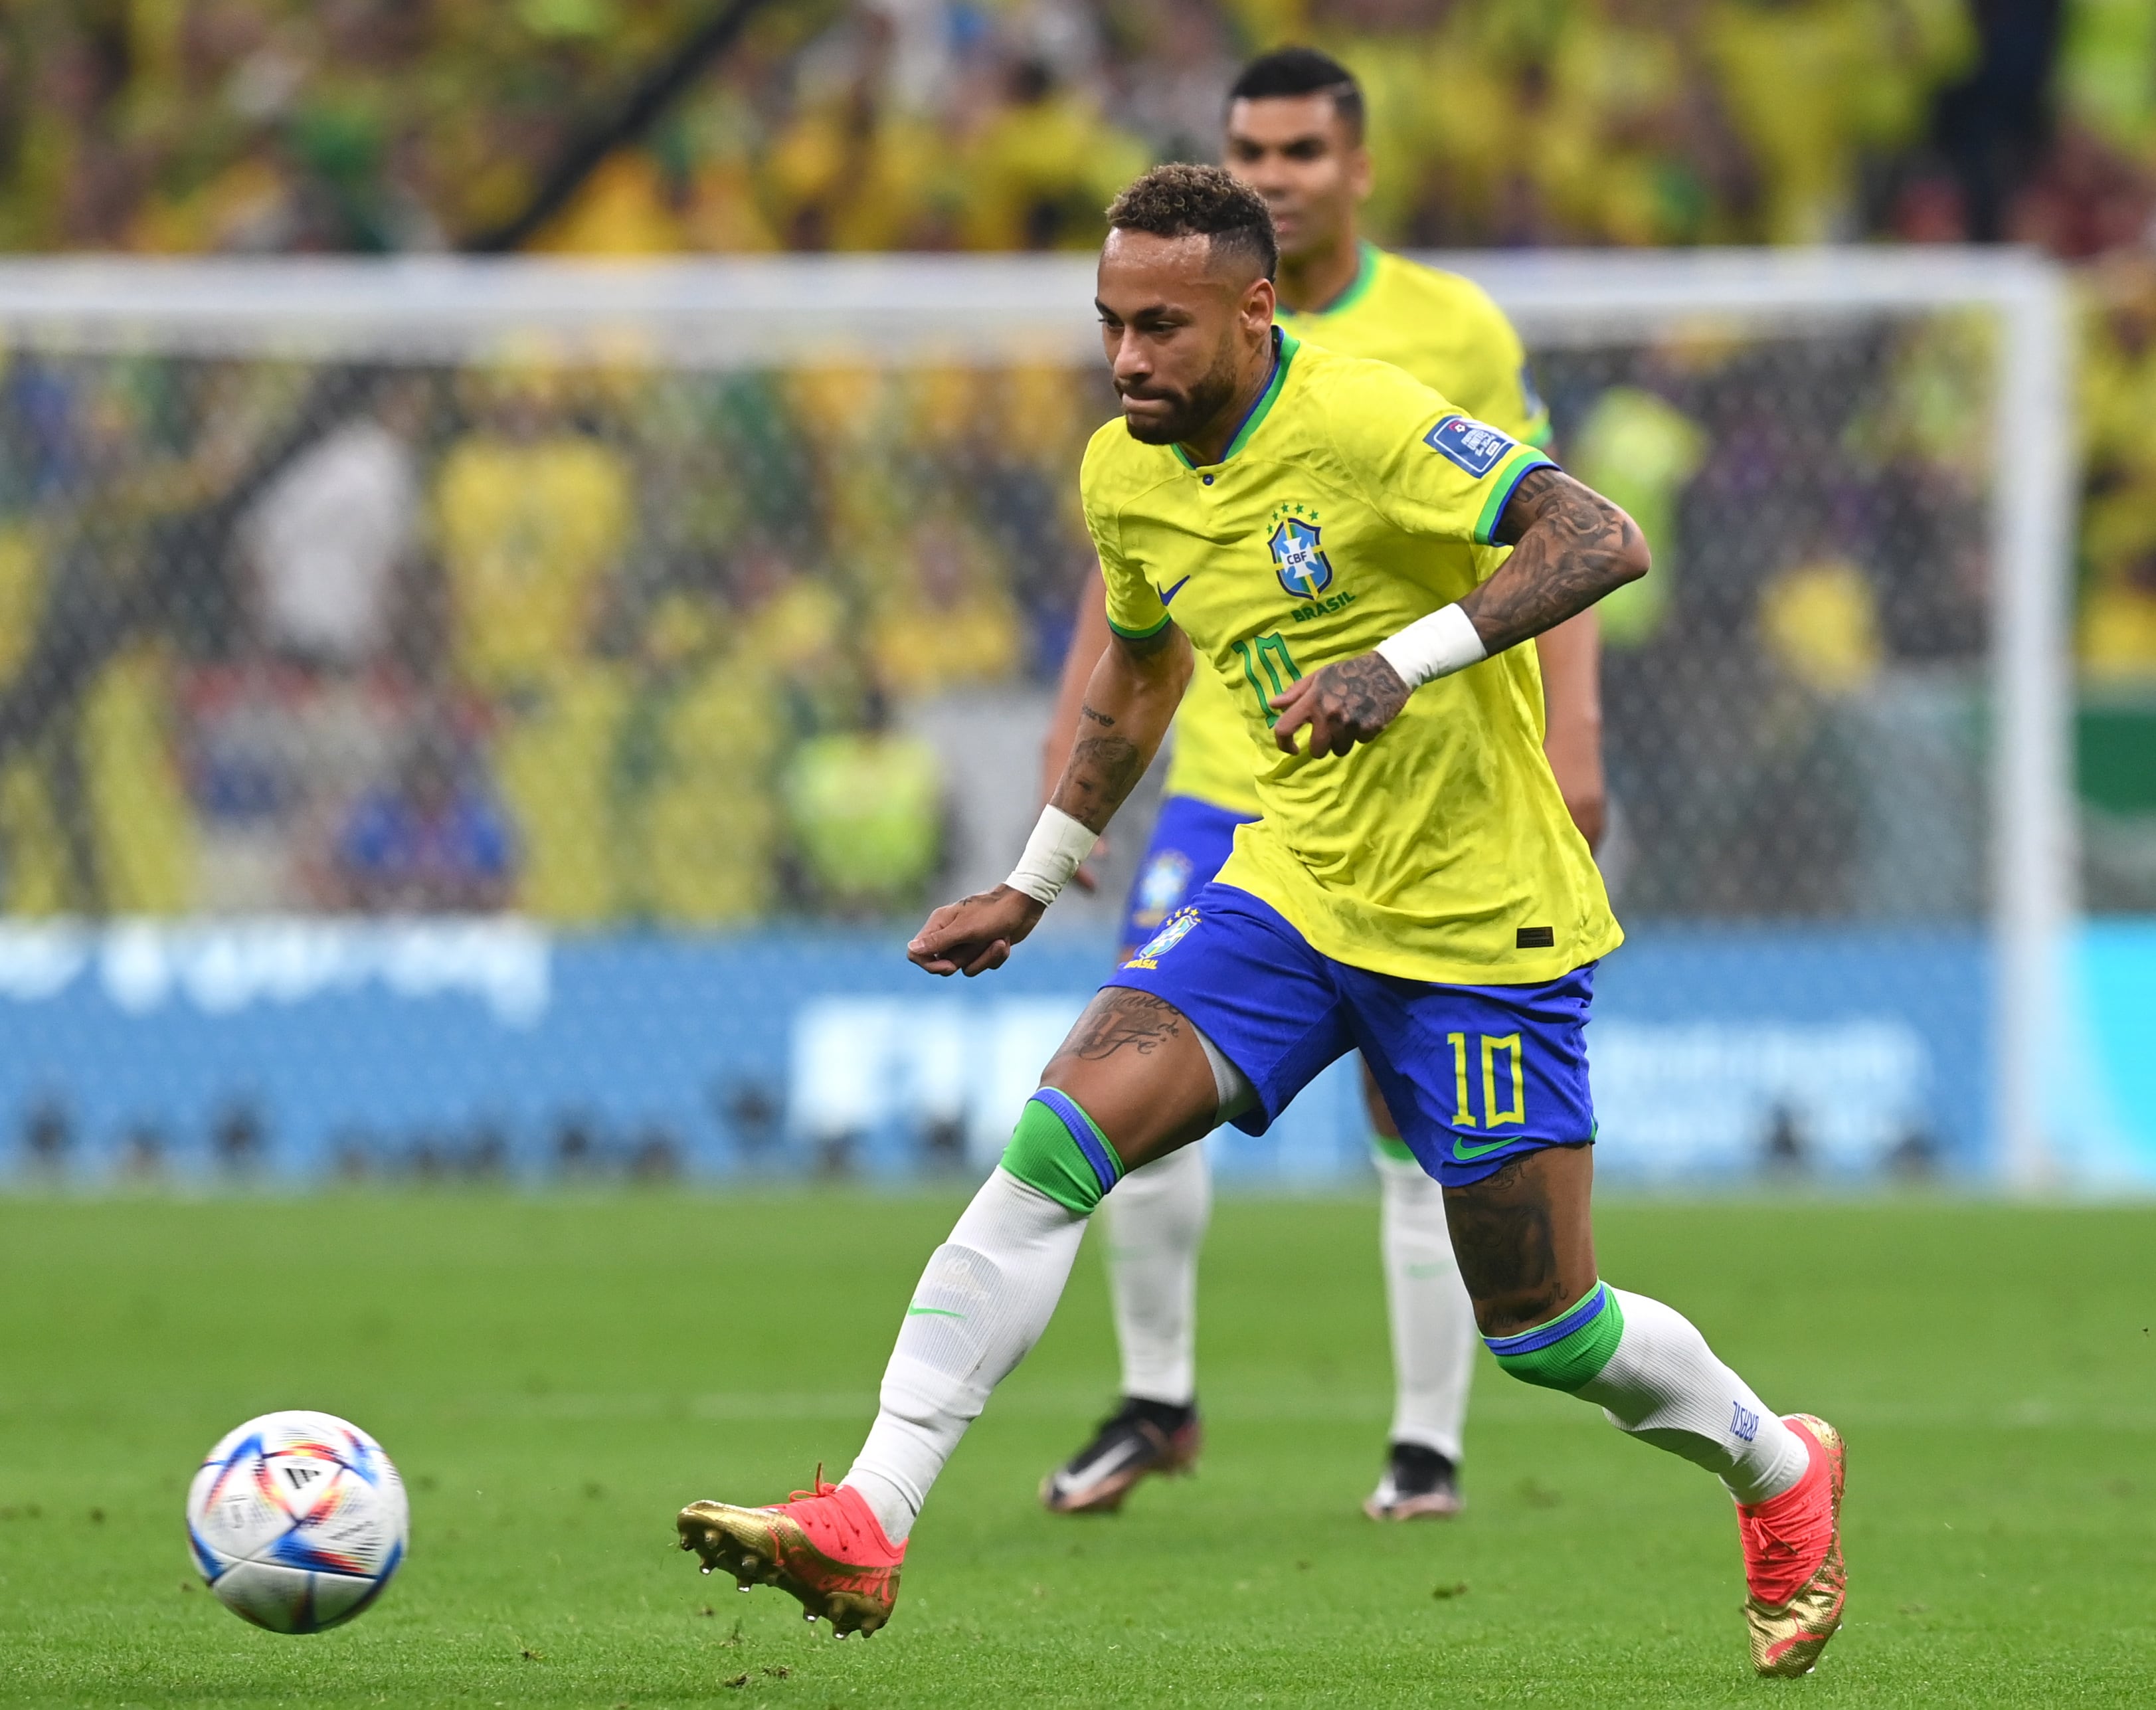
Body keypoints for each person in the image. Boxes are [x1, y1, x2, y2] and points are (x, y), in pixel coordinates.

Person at [675, 165, 1846, 1680]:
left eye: (1162, 324)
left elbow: (1601, 536)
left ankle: (1779, 1470)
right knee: (1053, 1149)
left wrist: (1401, 659)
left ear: (1254, 307)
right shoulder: (1124, 471)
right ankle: (868, 1516)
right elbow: (1139, 676)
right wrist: (1034, 878)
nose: (1128, 357)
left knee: (1548, 1327)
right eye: (1109, 322)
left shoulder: (1363, 419)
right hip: (1292, 890)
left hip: (1479, 923)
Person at [1034, 45, 1607, 1525]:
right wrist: (1067, 789)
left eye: (1299, 152)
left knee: (1411, 1125)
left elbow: (1544, 535)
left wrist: (1575, 738)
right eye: (1250, 149)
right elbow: (1138, 579)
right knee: (1129, 1085)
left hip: (1409, 769)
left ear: (1355, 167)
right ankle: (1156, 1400)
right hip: (1231, 783)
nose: (1275, 174)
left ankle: (1426, 1444)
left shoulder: (1444, 331)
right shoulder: (1167, 343)